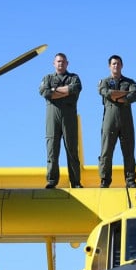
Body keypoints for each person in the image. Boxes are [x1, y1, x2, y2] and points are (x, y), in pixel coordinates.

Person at [38, 52, 83, 188]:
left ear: (67, 63)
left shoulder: (74, 78)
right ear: (54, 63)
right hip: (53, 118)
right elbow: (45, 92)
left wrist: (55, 91)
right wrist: (65, 91)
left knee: (72, 149)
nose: (60, 64)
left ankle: (75, 181)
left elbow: (75, 88)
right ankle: (52, 180)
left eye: (63, 61)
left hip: (69, 118)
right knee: (52, 149)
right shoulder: (47, 78)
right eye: (58, 61)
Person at [97, 55, 136, 188]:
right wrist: (123, 95)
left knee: (129, 151)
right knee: (106, 150)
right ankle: (105, 179)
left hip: (126, 119)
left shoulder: (130, 82)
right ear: (109, 66)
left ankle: (130, 180)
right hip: (109, 119)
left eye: (118, 63)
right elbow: (105, 92)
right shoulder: (104, 81)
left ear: (122, 65)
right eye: (113, 64)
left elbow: (134, 95)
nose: (116, 66)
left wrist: (117, 97)